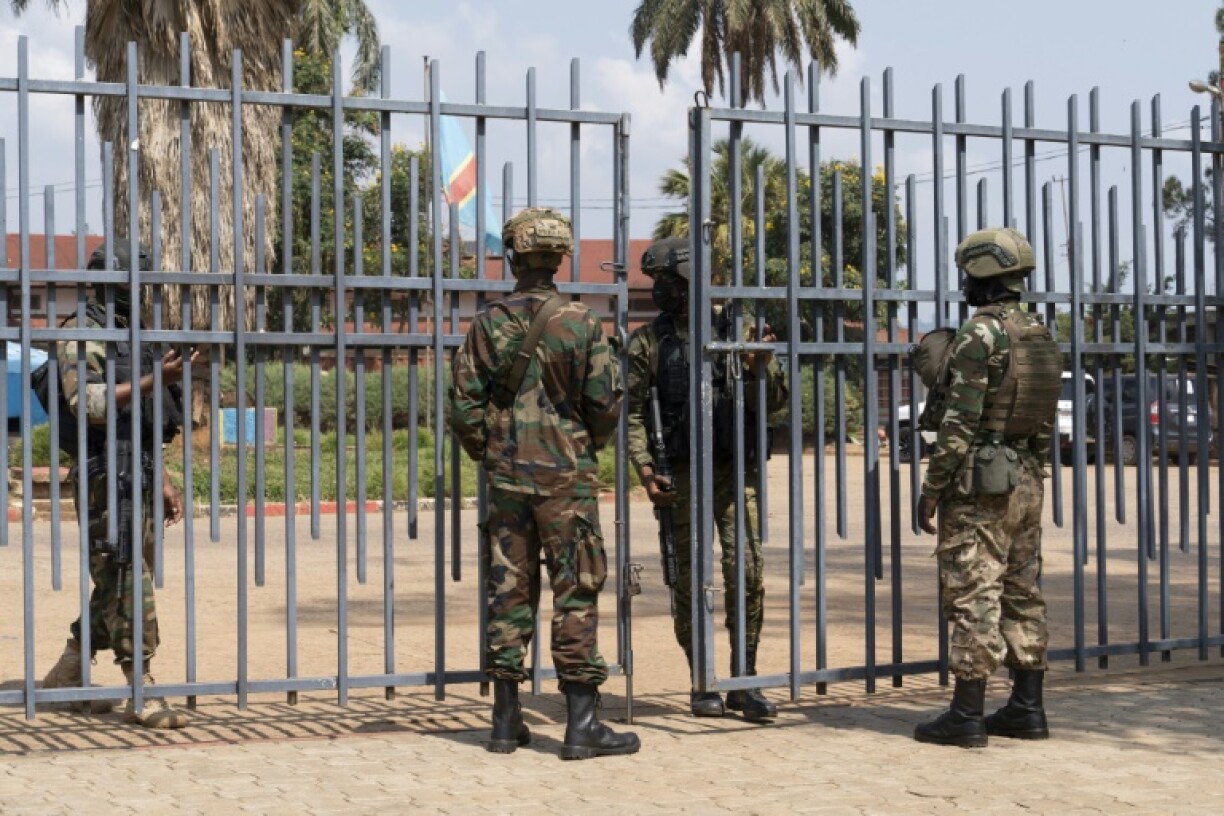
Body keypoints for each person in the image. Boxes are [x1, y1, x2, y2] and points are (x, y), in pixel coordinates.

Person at [450, 207, 638, 760]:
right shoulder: (583, 323)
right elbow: (605, 404)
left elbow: (464, 406)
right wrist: (581, 447)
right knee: (576, 589)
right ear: (559, 258)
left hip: (508, 480)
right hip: (566, 480)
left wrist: (492, 454)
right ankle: (582, 724)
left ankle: (505, 720)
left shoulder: (487, 323)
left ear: (513, 256)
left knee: (509, 592)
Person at [625, 237, 787, 721]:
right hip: (680, 476)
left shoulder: (738, 333)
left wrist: (762, 365)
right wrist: (646, 471)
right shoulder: (648, 343)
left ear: (693, 282)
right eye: (656, 282)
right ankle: (703, 680)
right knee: (690, 581)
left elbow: (774, 401)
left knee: (749, 573)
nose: (660, 291)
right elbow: (632, 414)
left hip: (735, 472)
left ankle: (744, 680)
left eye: (669, 282)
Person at [38, 239, 198, 729]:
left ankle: (69, 668)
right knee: (126, 577)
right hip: (102, 474)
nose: (141, 291)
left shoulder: (135, 335)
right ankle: (140, 688)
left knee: (114, 579)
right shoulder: (78, 333)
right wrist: (154, 377)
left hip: (142, 470)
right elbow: (86, 404)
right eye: (133, 282)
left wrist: (166, 480)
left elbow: (146, 420)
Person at [914, 227, 1062, 748]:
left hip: (980, 482)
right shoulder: (1040, 333)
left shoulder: (982, 333)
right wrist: (1032, 470)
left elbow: (960, 421)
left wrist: (932, 486)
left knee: (974, 591)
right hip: (1025, 479)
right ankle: (1027, 709)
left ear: (979, 273)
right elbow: (1042, 417)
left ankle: (966, 715)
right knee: (1023, 591)